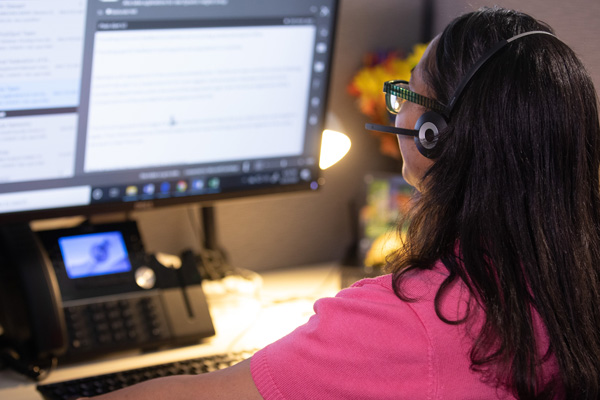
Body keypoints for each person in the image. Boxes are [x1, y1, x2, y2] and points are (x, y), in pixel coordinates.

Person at [84, 6, 600, 399]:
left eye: (406, 96)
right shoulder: (575, 278)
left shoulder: (413, 318)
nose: (395, 112)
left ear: (432, 134)